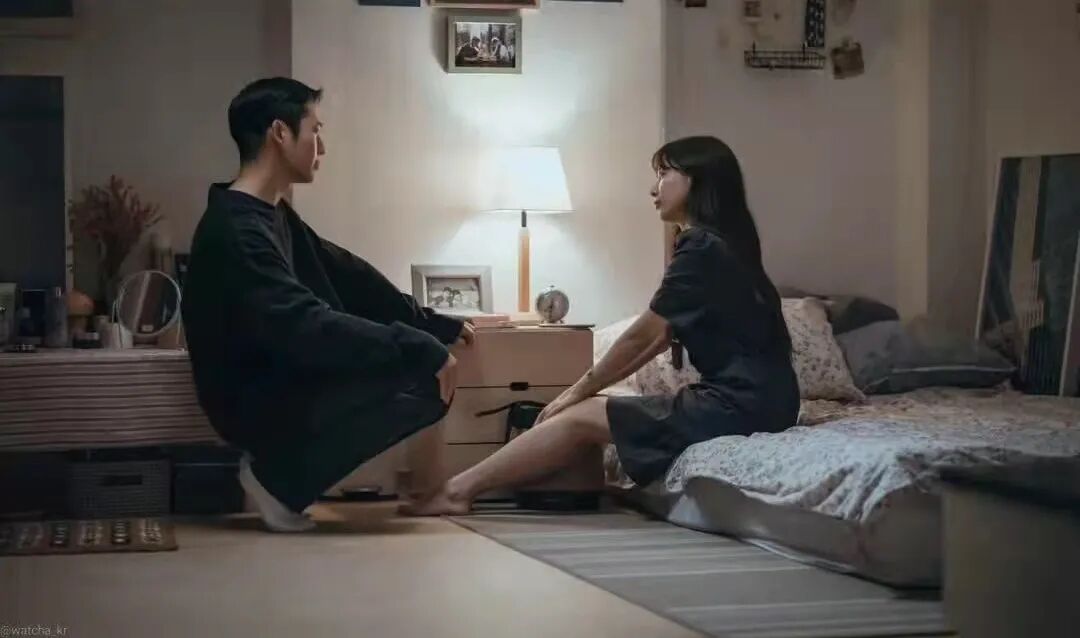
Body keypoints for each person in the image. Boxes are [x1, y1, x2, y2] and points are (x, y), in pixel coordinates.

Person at [404, 135, 799, 516]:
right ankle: (477, 489)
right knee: (586, 419)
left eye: (664, 174)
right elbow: (659, 337)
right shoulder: (725, 244)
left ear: (698, 181)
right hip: (772, 402)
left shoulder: (702, 246)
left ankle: (456, 492)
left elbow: (645, 335)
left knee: (578, 416)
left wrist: (575, 393)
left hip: (739, 404)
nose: (653, 188)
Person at [182, 77, 474, 532]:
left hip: (281, 378)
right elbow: (302, 322)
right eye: (314, 130)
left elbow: (347, 274)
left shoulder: (271, 213)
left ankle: (283, 474)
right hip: (254, 398)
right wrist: (416, 346)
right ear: (280, 133)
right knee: (422, 377)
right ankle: (276, 480)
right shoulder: (237, 230)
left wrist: (432, 325)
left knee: (423, 365)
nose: (322, 146)